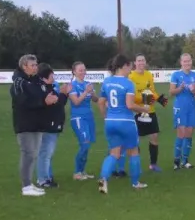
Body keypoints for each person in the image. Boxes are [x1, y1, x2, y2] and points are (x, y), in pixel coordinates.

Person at [97, 54, 149, 194]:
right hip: (126, 122)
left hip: (110, 122)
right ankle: (135, 182)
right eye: (129, 67)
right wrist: (143, 109)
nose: (130, 70)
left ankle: (103, 181)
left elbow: (101, 102)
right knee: (133, 151)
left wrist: (105, 117)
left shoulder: (107, 82)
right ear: (124, 66)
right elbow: (130, 105)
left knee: (114, 152)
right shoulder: (128, 83)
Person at [11, 54, 59, 197]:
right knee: (28, 154)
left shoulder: (37, 80)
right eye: (32, 65)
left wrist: (51, 98)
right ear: (24, 66)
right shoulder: (19, 82)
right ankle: (26, 186)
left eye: (36, 64)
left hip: (38, 123)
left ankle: (30, 184)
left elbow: (43, 95)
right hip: (24, 123)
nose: (35, 67)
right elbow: (23, 102)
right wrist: (44, 102)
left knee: (34, 154)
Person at [129, 54, 168, 172]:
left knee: (154, 137)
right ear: (135, 63)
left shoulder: (148, 75)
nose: (141, 63)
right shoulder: (131, 77)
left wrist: (158, 98)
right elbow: (132, 96)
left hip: (150, 111)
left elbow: (151, 91)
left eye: (143, 60)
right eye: (139, 61)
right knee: (136, 140)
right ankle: (136, 166)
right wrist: (144, 99)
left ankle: (153, 164)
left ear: (145, 62)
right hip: (137, 111)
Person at [37, 63, 71, 188]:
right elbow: (55, 105)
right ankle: (43, 180)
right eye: (52, 75)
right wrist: (63, 93)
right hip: (48, 126)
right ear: (46, 76)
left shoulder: (48, 87)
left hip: (52, 125)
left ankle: (46, 177)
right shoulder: (44, 89)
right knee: (45, 153)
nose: (54, 77)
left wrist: (64, 94)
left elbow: (60, 103)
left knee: (47, 154)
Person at [68, 61, 98, 180]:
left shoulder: (88, 84)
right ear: (74, 72)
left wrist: (92, 92)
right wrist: (86, 92)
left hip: (89, 117)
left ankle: (81, 171)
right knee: (84, 144)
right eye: (80, 70)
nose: (83, 72)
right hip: (78, 118)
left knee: (87, 144)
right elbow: (75, 102)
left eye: (84, 70)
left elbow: (95, 99)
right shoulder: (72, 86)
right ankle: (77, 172)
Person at [169, 53, 195, 169]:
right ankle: (176, 161)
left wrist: (193, 90)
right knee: (181, 133)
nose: (187, 63)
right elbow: (171, 92)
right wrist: (180, 88)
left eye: (189, 61)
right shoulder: (176, 75)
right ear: (181, 62)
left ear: (191, 61)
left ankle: (185, 161)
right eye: (185, 61)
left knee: (189, 134)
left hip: (191, 107)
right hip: (180, 107)